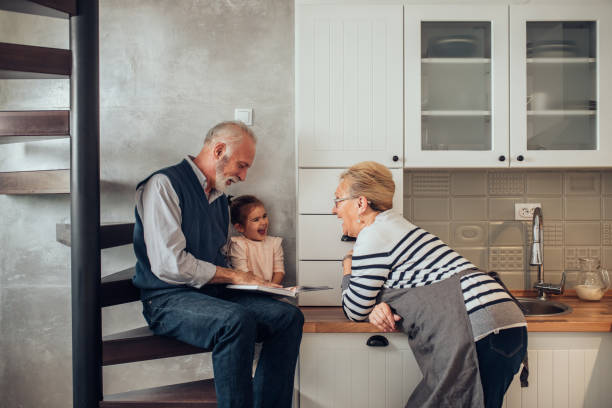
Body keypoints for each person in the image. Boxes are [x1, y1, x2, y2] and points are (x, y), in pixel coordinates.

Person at [132, 121, 304, 408]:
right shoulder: (163, 185)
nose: (244, 175)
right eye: (242, 165)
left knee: (288, 318)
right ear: (219, 150)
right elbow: (169, 265)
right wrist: (237, 275)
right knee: (236, 321)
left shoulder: (220, 199)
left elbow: (218, 258)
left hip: (210, 294)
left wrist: (259, 284)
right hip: (165, 299)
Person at [333, 161, 527, 408]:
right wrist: (377, 304)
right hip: (504, 324)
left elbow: (354, 309)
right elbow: (409, 283)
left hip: (478, 329)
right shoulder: (399, 227)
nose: (334, 209)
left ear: (360, 203)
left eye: (338, 200)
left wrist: (347, 268)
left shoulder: (373, 235)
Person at [228, 195, 285, 285]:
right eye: (256, 220)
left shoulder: (274, 243)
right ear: (240, 227)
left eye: (264, 216)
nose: (263, 222)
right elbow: (244, 274)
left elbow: (279, 271)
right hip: (248, 290)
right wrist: (264, 285)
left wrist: (272, 287)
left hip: (270, 290)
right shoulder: (238, 245)